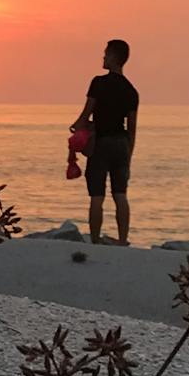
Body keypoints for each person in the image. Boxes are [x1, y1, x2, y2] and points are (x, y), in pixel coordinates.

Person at [69, 39, 139, 245]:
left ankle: (95, 239)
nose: (103, 57)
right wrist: (129, 155)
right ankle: (123, 239)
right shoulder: (131, 91)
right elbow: (132, 128)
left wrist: (76, 128)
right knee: (120, 194)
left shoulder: (98, 83)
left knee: (97, 196)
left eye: (106, 54)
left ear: (115, 57)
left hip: (101, 143)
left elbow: (85, 115)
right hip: (121, 145)